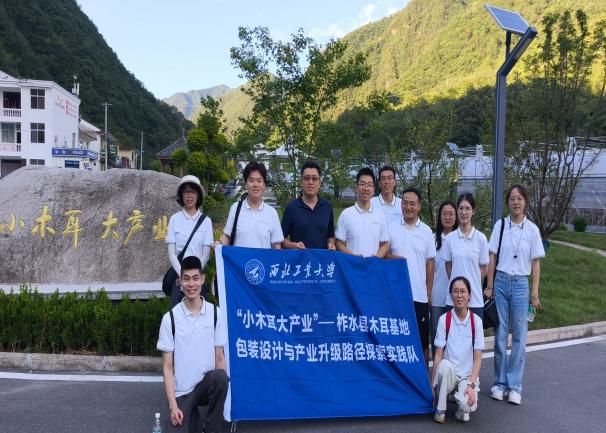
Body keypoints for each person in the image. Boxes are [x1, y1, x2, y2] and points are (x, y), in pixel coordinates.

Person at [485, 184, 545, 406]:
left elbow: (536, 263)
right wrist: (489, 286)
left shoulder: (532, 230)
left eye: (519, 198)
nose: (516, 202)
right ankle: (499, 383)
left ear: (525, 201)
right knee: (500, 334)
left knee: (519, 336)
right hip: (500, 282)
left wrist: (534, 294)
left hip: (521, 284)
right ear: (507, 202)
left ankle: (515, 386)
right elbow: (492, 257)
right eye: (512, 199)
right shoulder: (500, 226)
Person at [157, 256, 229, 433]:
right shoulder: (170, 319)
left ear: (202, 280)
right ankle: (194, 420)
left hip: (206, 385)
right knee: (175, 428)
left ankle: (211, 428)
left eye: (195, 278)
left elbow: (220, 359)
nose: (191, 284)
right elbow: (167, 367)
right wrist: (173, 406)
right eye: (186, 279)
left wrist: (221, 404)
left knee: (221, 377)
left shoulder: (215, 314)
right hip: (183, 392)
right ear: (180, 282)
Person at [386, 187, 436, 365]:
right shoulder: (390, 227)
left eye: (412, 204)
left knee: (421, 340)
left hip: (419, 295)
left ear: (419, 206)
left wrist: (428, 292)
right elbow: (383, 255)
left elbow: (430, 263)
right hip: (395, 295)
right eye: (405, 203)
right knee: (396, 339)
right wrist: (393, 258)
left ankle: (423, 377)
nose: (408, 207)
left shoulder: (426, 232)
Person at [431, 276, 484, 424]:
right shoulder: (444, 319)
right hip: (449, 374)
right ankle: (440, 409)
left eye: (463, 291)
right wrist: (432, 385)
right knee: (443, 365)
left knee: (467, 406)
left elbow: (477, 359)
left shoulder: (476, 322)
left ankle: (460, 406)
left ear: (469, 295)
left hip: (467, 377)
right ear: (451, 295)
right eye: (455, 291)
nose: (459, 295)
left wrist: (471, 385)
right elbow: (438, 355)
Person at [166, 175, 214, 307]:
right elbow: (171, 254)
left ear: (198, 195)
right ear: (181, 195)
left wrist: (194, 276)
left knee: (199, 314)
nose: (189, 195)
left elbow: (206, 255)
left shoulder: (206, 221)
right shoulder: (174, 219)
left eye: (192, 191)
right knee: (178, 314)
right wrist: (183, 276)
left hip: (198, 279)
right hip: (179, 278)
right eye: (186, 192)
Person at [441, 193, 489, 319]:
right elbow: (448, 266)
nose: (464, 212)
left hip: (475, 300)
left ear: (473, 211)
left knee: (474, 331)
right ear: (457, 210)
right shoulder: (450, 238)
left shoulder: (481, 238)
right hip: (453, 300)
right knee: (452, 331)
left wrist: (472, 283)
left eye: (467, 208)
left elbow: (484, 268)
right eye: (461, 208)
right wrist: (457, 286)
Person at [219, 161, 283, 248]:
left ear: (264, 185)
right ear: (246, 184)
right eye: (251, 180)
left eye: (259, 181)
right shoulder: (235, 208)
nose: (255, 185)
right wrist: (219, 243)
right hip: (239, 257)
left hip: (263, 257)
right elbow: (227, 236)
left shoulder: (272, 213)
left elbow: (276, 245)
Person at [281, 160, 336, 250]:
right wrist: (294, 245)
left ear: (319, 183)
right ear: (301, 182)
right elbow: (282, 240)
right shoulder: (291, 208)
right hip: (300, 258)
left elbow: (330, 236)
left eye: (314, 179)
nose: (310, 182)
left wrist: (331, 244)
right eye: (307, 178)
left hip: (321, 258)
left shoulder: (327, 207)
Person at [335, 167, 388, 257]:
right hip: (352, 264)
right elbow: (339, 243)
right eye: (362, 184)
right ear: (356, 187)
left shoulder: (380, 215)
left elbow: (384, 244)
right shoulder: (346, 214)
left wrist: (376, 259)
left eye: (369, 185)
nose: (366, 188)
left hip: (373, 265)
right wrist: (353, 258)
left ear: (373, 189)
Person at [431, 201, 458, 355]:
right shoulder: (432, 239)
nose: (448, 217)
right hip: (437, 296)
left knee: (454, 337)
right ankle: (437, 367)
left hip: (456, 297)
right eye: (444, 214)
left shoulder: (460, 238)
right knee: (436, 335)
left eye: (451, 214)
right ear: (439, 216)